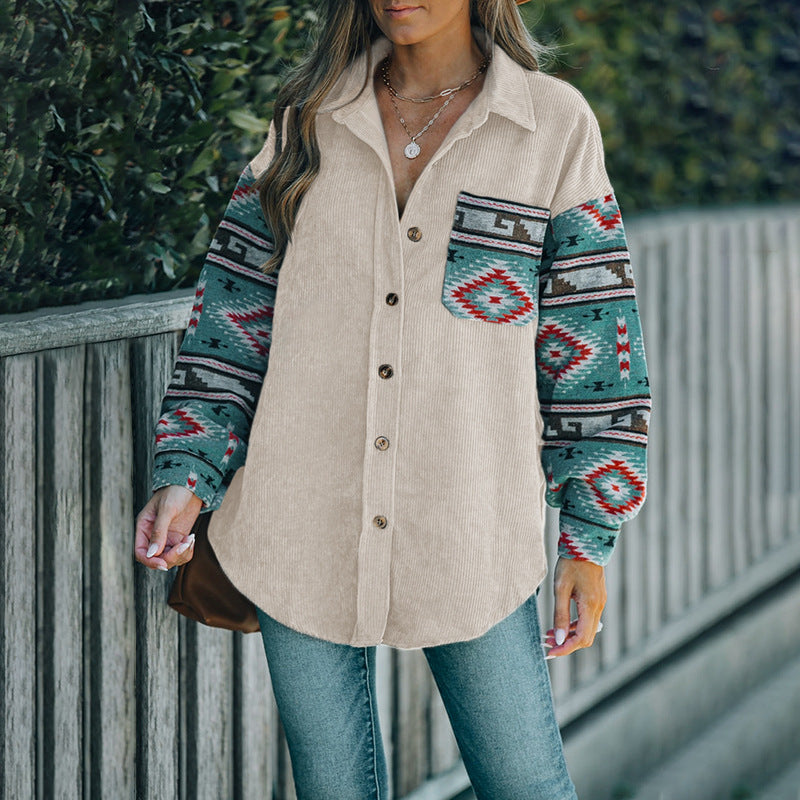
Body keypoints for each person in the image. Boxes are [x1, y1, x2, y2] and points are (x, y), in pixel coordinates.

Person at [134, 0, 651, 797]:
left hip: (472, 535)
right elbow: (233, 318)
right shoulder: (306, 119)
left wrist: (589, 537)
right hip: (299, 524)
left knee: (526, 785)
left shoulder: (552, 127)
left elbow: (594, 343)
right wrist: (187, 471)